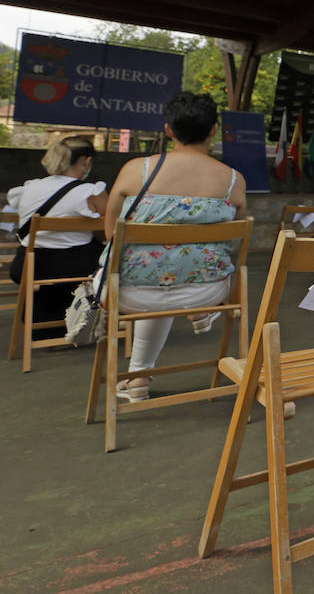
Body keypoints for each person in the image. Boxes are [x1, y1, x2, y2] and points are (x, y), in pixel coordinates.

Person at [103, 92, 246, 401]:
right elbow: (232, 236)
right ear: (213, 130)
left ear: (168, 130)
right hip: (206, 291)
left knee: (156, 275)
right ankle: (141, 374)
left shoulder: (136, 169)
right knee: (170, 273)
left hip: (129, 292)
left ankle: (138, 378)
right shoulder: (234, 180)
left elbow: (111, 230)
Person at [6, 136, 108, 337]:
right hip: (77, 267)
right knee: (110, 261)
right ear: (86, 161)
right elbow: (109, 231)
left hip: (28, 266)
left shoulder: (28, 188)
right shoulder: (91, 192)